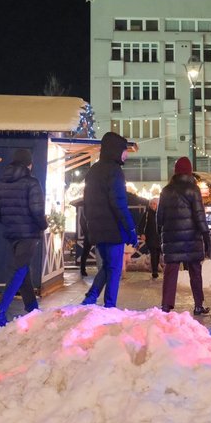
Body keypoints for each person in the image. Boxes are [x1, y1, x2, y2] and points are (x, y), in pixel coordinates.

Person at [0, 148, 47, 327]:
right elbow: (37, 210)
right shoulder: (32, 182)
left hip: (12, 233)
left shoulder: (2, 183)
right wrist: (43, 225)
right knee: (19, 271)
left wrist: (11, 222)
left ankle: (32, 307)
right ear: (29, 164)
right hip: (29, 233)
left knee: (23, 270)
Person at [80, 132, 137, 308]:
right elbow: (119, 204)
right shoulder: (115, 172)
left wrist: (90, 228)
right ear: (115, 151)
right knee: (114, 269)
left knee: (107, 265)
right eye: (124, 150)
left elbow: (86, 202)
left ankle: (91, 296)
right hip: (113, 229)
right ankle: (110, 306)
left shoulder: (93, 171)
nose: (126, 154)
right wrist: (131, 229)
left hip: (97, 229)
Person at [158, 156, 211, 315]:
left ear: (175, 173)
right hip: (191, 238)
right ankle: (198, 305)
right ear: (189, 172)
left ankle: (166, 305)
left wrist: (161, 233)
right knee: (195, 271)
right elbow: (199, 215)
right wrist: (206, 236)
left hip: (172, 238)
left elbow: (159, 217)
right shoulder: (193, 189)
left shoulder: (166, 191)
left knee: (171, 271)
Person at [139, 197, 161, 279]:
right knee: (153, 253)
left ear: (157, 205)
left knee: (158, 253)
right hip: (150, 237)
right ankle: (154, 271)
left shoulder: (160, 213)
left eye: (154, 204)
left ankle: (156, 268)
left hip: (159, 237)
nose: (152, 205)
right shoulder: (147, 214)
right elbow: (141, 225)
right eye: (151, 204)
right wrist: (142, 233)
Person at [78, 211, 91, 277]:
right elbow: (82, 222)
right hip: (90, 235)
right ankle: (82, 270)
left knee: (85, 253)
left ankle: (82, 270)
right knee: (85, 253)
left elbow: (82, 222)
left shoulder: (85, 211)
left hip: (90, 235)